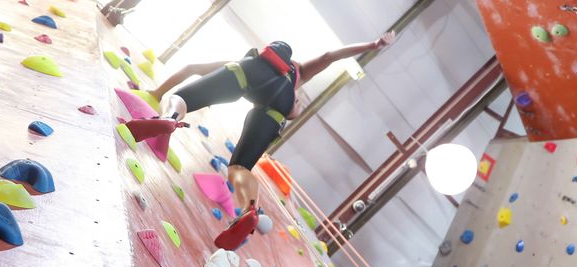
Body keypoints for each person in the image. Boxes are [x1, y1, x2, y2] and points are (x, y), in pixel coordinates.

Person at [133, 33, 396, 178]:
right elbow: (330, 57)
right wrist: (373, 45)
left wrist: (157, 92)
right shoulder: (299, 73)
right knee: (240, 167)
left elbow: (192, 68)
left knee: (185, 98)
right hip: (276, 107)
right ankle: (249, 205)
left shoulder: (252, 62)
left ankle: (169, 116)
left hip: (245, 73)